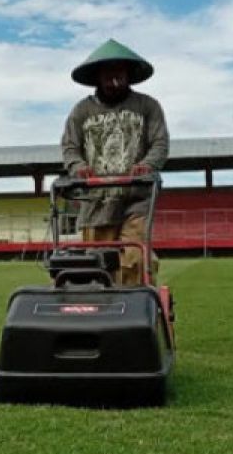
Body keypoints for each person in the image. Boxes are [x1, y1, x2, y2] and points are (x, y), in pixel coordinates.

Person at [60, 38, 169, 286]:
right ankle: (101, 317)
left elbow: (160, 144)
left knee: (135, 260)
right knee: (98, 268)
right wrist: (78, 167)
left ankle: (135, 312)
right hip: (96, 202)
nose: (114, 80)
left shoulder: (147, 107)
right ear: (97, 77)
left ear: (129, 75)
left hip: (136, 199)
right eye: (108, 75)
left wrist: (148, 165)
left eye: (119, 74)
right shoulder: (81, 112)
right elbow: (69, 147)